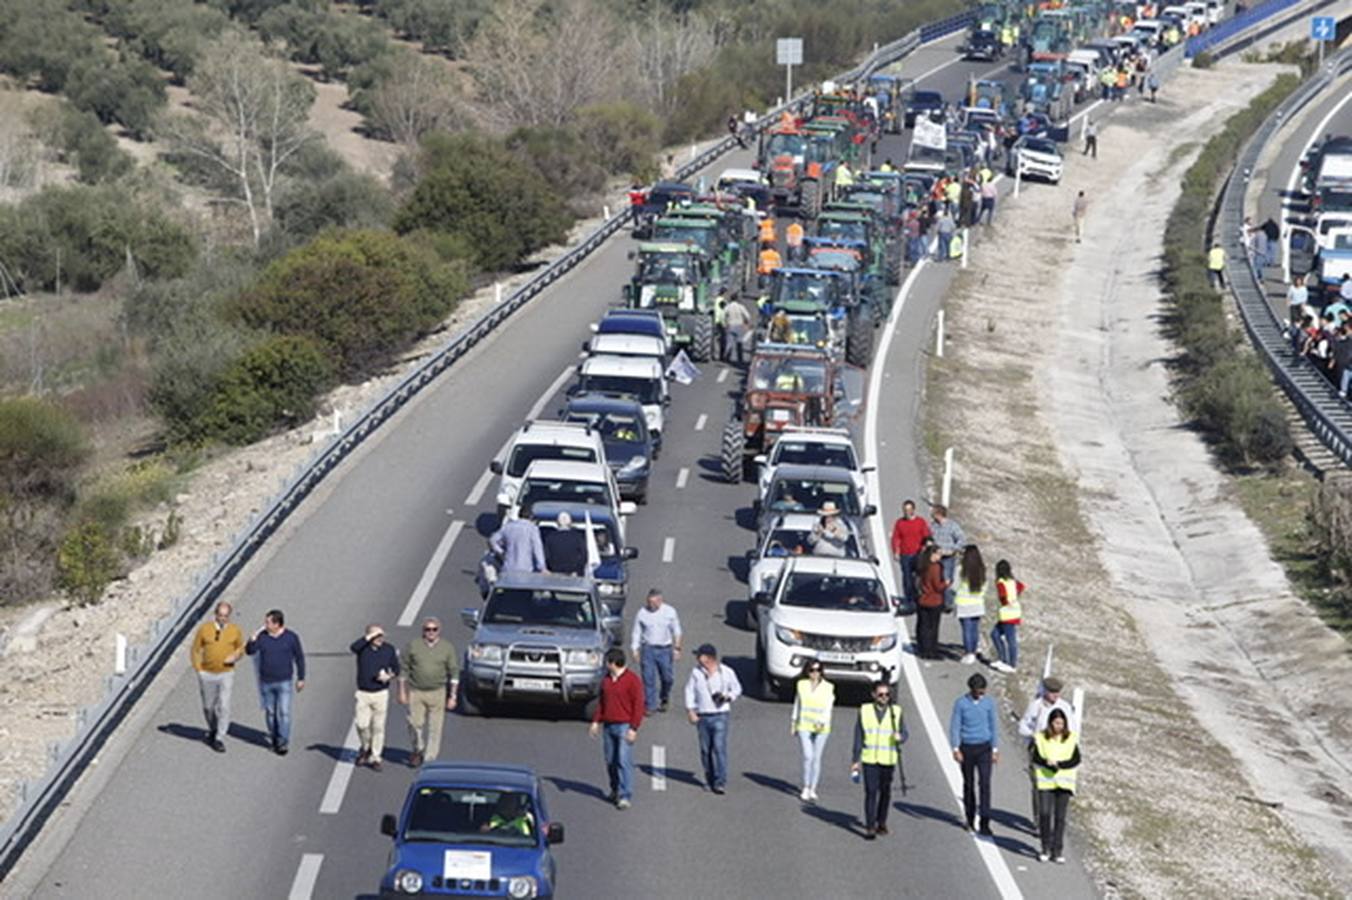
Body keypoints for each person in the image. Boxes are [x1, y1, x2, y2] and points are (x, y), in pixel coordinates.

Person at [850, 679, 906, 839]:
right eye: (881, 694)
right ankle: (870, 826)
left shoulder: (896, 712)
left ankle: (881, 821)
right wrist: (855, 759)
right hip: (870, 759)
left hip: (888, 759)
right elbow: (858, 736)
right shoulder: (865, 711)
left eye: (887, 694)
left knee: (885, 792)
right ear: (874, 695)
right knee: (871, 791)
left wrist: (900, 737)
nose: (884, 697)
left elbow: (904, 733)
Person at [399, 617, 458, 767]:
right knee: (414, 723)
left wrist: (453, 696)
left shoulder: (447, 648)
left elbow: (454, 673)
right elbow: (404, 668)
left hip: (438, 692)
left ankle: (430, 759)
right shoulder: (413, 645)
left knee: (435, 728)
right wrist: (402, 691)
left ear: (439, 630)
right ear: (423, 631)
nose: (431, 632)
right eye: (427, 629)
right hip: (416, 691)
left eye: (434, 629)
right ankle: (418, 749)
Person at [590, 647, 644, 809]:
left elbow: (638, 706)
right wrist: (595, 721)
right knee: (610, 761)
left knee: (623, 761)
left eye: (607, 662)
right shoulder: (606, 680)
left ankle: (624, 794)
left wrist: (633, 728)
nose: (605, 665)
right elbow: (602, 702)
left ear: (613, 663)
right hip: (608, 725)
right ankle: (615, 789)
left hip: (624, 725)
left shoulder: (632, 680)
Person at [684, 643, 742, 794]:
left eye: (700, 656)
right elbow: (689, 691)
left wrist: (728, 697)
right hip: (703, 715)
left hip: (720, 715)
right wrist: (691, 710)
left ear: (709, 658)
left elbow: (737, 688)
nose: (697, 658)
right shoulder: (696, 673)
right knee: (705, 750)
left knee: (719, 748)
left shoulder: (726, 672)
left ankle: (720, 781)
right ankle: (709, 779)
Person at [245, 609, 305, 755]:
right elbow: (250, 651)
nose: (265, 625)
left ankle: (283, 741)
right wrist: (252, 640)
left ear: (277, 624)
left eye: (268, 622)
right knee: (271, 713)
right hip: (266, 682)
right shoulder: (262, 637)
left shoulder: (291, 638)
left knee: (284, 712)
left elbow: (299, 657)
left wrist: (301, 678)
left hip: (284, 681)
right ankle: (274, 736)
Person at [1018, 676, 1076, 820]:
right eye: (1052, 693)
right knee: (1039, 786)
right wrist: (1033, 735)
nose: (1055, 696)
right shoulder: (1036, 706)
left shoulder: (1065, 707)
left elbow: (1072, 730)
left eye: (1057, 693)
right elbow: (1023, 726)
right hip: (1039, 752)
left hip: (1058, 752)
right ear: (1045, 691)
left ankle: (1052, 815)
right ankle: (1039, 817)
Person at [190, 601, 245, 753]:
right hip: (207, 673)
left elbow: (240, 648)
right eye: (220, 616)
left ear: (229, 616)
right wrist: (198, 669)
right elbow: (195, 649)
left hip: (226, 673)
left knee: (224, 705)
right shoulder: (205, 629)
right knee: (208, 707)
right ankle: (213, 729)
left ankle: (220, 737)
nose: (222, 619)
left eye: (225, 616)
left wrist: (235, 657)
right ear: (215, 615)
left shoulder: (235, 630)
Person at [949, 673, 999, 836]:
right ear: (971, 690)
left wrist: (995, 749)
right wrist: (956, 748)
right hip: (967, 748)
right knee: (968, 784)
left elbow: (993, 726)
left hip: (984, 748)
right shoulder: (961, 704)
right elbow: (955, 726)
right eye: (978, 692)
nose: (981, 695)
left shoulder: (989, 704)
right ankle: (970, 819)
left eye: (983, 691)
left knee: (985, 784)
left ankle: (985, 822)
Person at [350, 623, 400, 771]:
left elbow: (396, 669)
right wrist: (369, 637)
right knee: (362, 724)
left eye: (381, 635)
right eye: (376, 636)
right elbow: (353, 647)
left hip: (381, 693)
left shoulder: (388, 649)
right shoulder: (362, 649)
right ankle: (366, 746)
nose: (379, 638)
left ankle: (375, 756)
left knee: (378, 727)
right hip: (364, 693)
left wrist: (389, 676)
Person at [1032, 708, 1080, 863]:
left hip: (1064, 783)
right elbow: (1036, 757)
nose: (1059, 726)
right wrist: (1047, 763)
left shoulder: (1070, 738)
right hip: (1046, 781)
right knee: (1045, 814)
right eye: (1056, 723)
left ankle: (1057, 850)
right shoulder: (1041, 738)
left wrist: (1060, 765)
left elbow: (1076, 759)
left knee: (1060, 818)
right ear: (1050, 723)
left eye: (1062, 723)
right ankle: (1044, 847)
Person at [631, 589, 683, 714]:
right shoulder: (642, 613)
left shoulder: (669, 612)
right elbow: (637, 632)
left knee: (667, 678)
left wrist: (677, 648)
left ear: (660, 601)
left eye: (653, 603)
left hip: (665, 649)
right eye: (649, 602)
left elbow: (677, 631)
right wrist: (635, 649)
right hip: (648, 649)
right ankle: (651, 705)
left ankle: (664, 697)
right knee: (648, 678)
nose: (650, 606)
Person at [792, 661, 835, 802]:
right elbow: (797, 703)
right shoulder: (802, 685)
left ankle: (813, 788)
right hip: (804, 724)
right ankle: (806, 786)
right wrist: (794, 722)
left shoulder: (828, 687)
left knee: (817, 758)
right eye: (812, 670)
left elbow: (829, 707)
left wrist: (822, 721)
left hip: (822, 727)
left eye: (818, 670)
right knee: (808, 756)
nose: (815, 673)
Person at [890, 500, 931, 605]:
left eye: (909, 510)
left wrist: (925, 548)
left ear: (913, 510)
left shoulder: (920, 522)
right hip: (905, 555)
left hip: (918, 554)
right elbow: (896, 538)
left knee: (919, 577)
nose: (907, 512)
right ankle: (909, 599)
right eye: (905, 510)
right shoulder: (900, 522)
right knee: (907, 578)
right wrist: (896, 551)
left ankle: (919, 596)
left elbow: (926, 536)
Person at [953, 545, 987, 665]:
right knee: (974, 628)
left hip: (963, 603)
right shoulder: (981, 569)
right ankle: (974, 649)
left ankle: (969, 653)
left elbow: (955, 586)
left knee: (966, 629)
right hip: (977, 603)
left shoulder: (961, 569)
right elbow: (985, 587)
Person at [491, 505, 545, 574]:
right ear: (531, 517)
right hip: (526, 568)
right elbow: (537, 549)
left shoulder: (508, 527)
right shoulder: (532, 529)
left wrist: (501, 552)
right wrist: (542, 567)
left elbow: (492, 540)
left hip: (509, 567)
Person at [992, 560, 1024, 673]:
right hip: (1014, 611)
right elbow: (1021, 586)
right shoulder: (1012, 581)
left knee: (1011, 640)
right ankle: (1002, 659)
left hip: (1007, 614)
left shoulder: (1000, 582)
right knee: (995, 634)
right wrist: (1015, 596)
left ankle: (1011, 664)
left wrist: (1005, 602)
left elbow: (1002, 596)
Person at [929, 504, 965, 609]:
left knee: (946, 579)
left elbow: (962, 539)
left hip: (947, 558)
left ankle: (948, 603)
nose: (931, 514)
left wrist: (952, 550)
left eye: (933, 512)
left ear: (938, 514)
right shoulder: (933, 525)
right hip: (936, 557)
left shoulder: (952, 526)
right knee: (935, 578)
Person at [916, 545, 947, 660]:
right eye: (938, 553)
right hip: (934, 600)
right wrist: (946, 583)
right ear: (932, 554)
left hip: (923, 598)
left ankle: (923, 649)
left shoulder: (923, 565)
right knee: (933, 627)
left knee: (923, 626)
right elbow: (937, 586)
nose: (940, 555)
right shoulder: (935, 567)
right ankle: (931, 651)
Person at [543, 511, 587, 576]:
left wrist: (550, 569)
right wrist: (578, 570)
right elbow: (584, 555)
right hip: (573, 575)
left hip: (554, 574)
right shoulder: (578, 537)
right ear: (570, 523)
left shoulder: (550, 538)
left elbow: (546, 556)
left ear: (557, 523)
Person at [724, 298, 752, 365]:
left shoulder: (728, 306)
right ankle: (740, 359)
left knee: (729, 342)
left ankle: (727, 358)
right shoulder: (740, 307)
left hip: (731, 325)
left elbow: (723, 314)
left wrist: (725, 322)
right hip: (739, 326)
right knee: (739, 343)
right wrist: (746, 322)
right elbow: (748, 316)